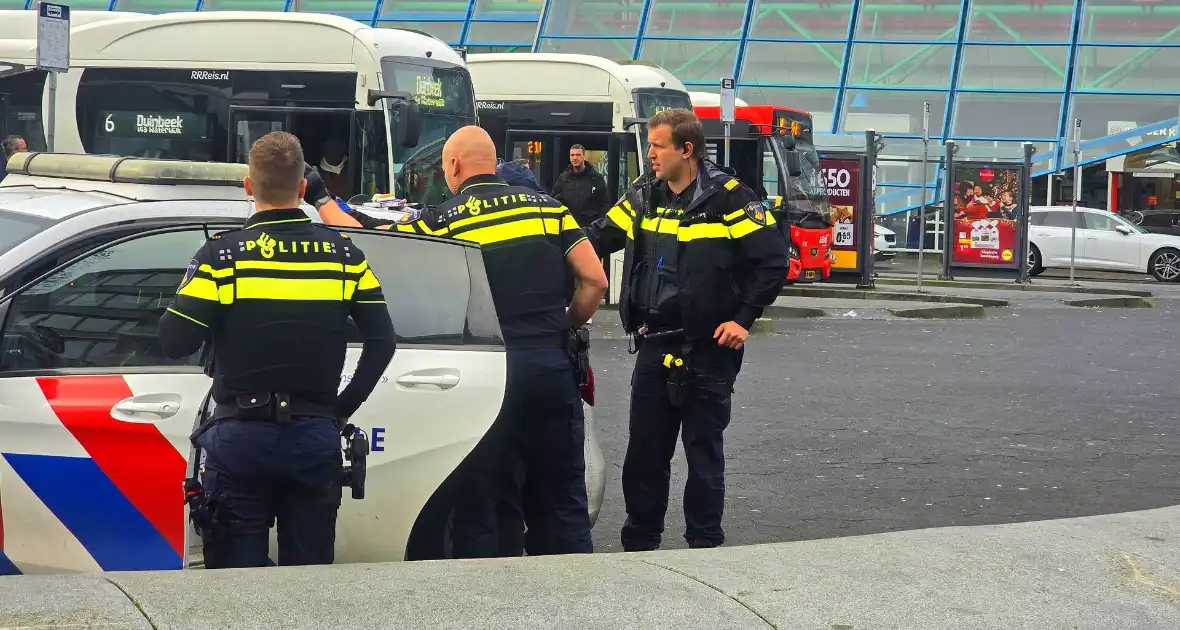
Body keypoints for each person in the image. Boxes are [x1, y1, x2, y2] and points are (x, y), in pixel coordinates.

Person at [317, 126, 608, 558]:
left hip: (490, 380)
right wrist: (563, 324)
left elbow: (368, 233)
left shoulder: (446, 220)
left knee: (485, 508)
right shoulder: (550, 209)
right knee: (563, 505)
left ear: (453, 166)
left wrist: (321, 198)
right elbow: (595, 281)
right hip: (550, 368)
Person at [158, 131, 396, 569]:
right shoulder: (345, 256)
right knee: (306, 586)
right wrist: (340, 409)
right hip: (314, 438)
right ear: (303, 189)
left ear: (249, 187)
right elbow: (383, 340)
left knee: (235, 583)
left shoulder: (221, 258)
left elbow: (174, 340)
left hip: (240, 439)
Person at [584, 108, 788, 552]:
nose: (650, 155)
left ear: (686, 149)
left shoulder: (730, 198)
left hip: (709, 346)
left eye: (657, 146)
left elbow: (773, 261)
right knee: (644, 455)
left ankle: (704, 547)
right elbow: (596, 237)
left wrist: (743, 320)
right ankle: (639, 546)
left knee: (702, 451)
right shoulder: (643, 195)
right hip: (654, 341)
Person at [552, 144, 610, 229]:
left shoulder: (596, 178)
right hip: (568, 227)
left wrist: (598, 226)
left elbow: (604, 204)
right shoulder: (563, 178)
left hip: (589, 229)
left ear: (584, 156)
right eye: (572, 155)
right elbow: (553, 200)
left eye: (578, 155)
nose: (575, 158)